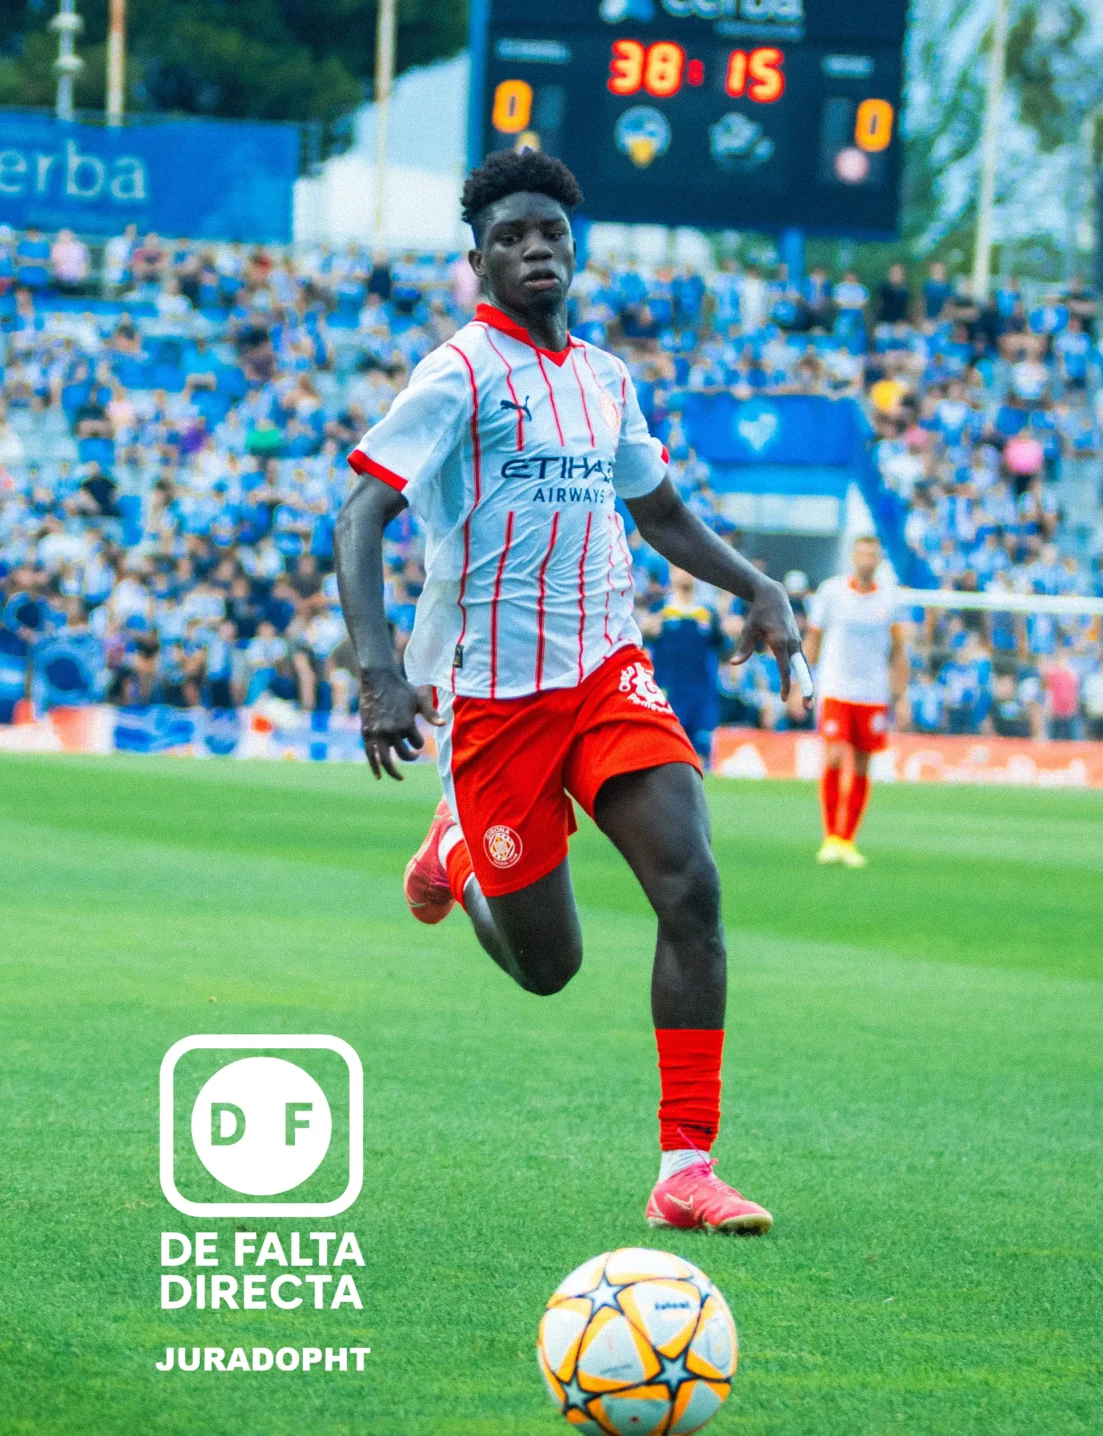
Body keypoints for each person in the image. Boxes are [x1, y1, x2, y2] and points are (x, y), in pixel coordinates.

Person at [336, 148, 802, 1235]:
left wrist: (758, 584)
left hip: (606, 671)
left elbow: (662, 511)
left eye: (549, 232)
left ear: (570, 245)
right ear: (478, 261)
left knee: (690, 888)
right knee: (549, 967)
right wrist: (378, 673)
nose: (534, 249)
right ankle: (456, 847)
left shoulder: (602, 376)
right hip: (495, 696)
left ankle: (686, 1166)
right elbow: (358, 516)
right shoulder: (456, 374)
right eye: (511, 238)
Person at [795, 535, 910, 866]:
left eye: (872, 553)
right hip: (836, 686)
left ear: (878, 559)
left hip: (872, 691)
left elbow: (898, 650)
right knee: (833, 755)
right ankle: (831, 835)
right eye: (861, 552)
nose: (866, 558)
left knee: (862, 761)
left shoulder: (891, 598)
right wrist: (802, 683)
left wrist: (899, 695)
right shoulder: (832, 593)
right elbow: (814, 638)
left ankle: (848, 839)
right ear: (852, 557)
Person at [644, 570, 724, 766]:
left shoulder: (708, 614)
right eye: (678, 568)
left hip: (701, 694)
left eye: (689, 569)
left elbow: (725, 651)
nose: (685, 573)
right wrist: (644, 632)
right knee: (667, 753)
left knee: (701, 754)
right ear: (671, 573)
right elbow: (641, 649)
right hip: (669, 693)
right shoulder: (659, 612)